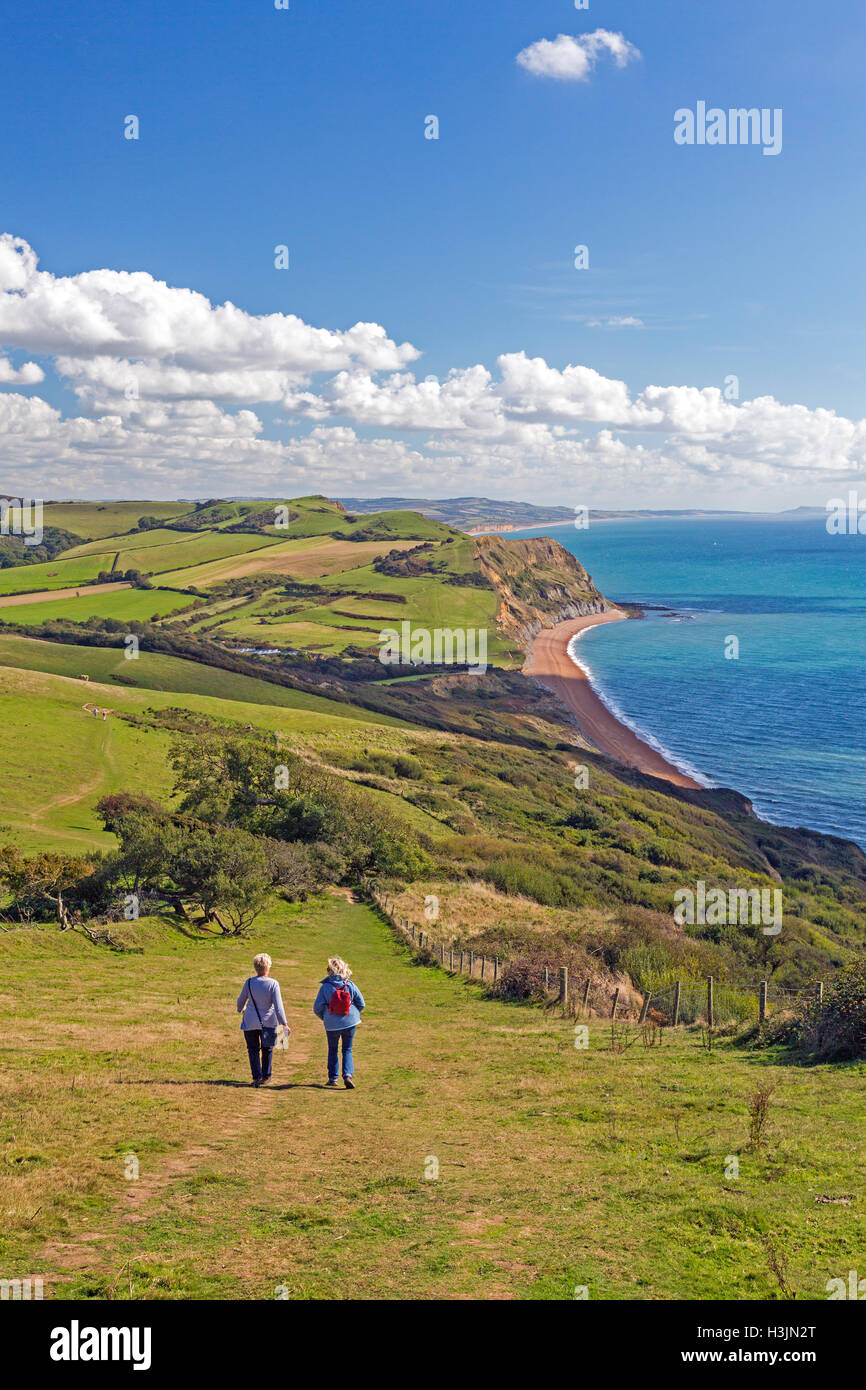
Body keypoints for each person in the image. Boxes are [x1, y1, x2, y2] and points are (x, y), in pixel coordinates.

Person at [313, 956, 365, 1089]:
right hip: (350, 1021)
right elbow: (361, 1003)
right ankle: (347, 1075)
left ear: (329, 971)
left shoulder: (325, 987)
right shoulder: (350, 984)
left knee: (333, 1049)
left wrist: (325, 1017)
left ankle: (333, 1078)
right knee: (347, 1049)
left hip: (332, 1024)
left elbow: (317, 1007)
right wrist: (353, 1013)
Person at [237, 953, 289, 1087]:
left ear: (255, 967)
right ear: (268, 967)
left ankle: (256, 1076)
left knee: (253, 1050)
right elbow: (278, 1007)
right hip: (268, 1022)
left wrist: (242, 1009)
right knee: (268, 1049)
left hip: (250, 1021)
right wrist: (284, 1023)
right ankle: (266, 1076)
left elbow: (240, 1002)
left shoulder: (249, 982)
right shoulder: (273, 984)